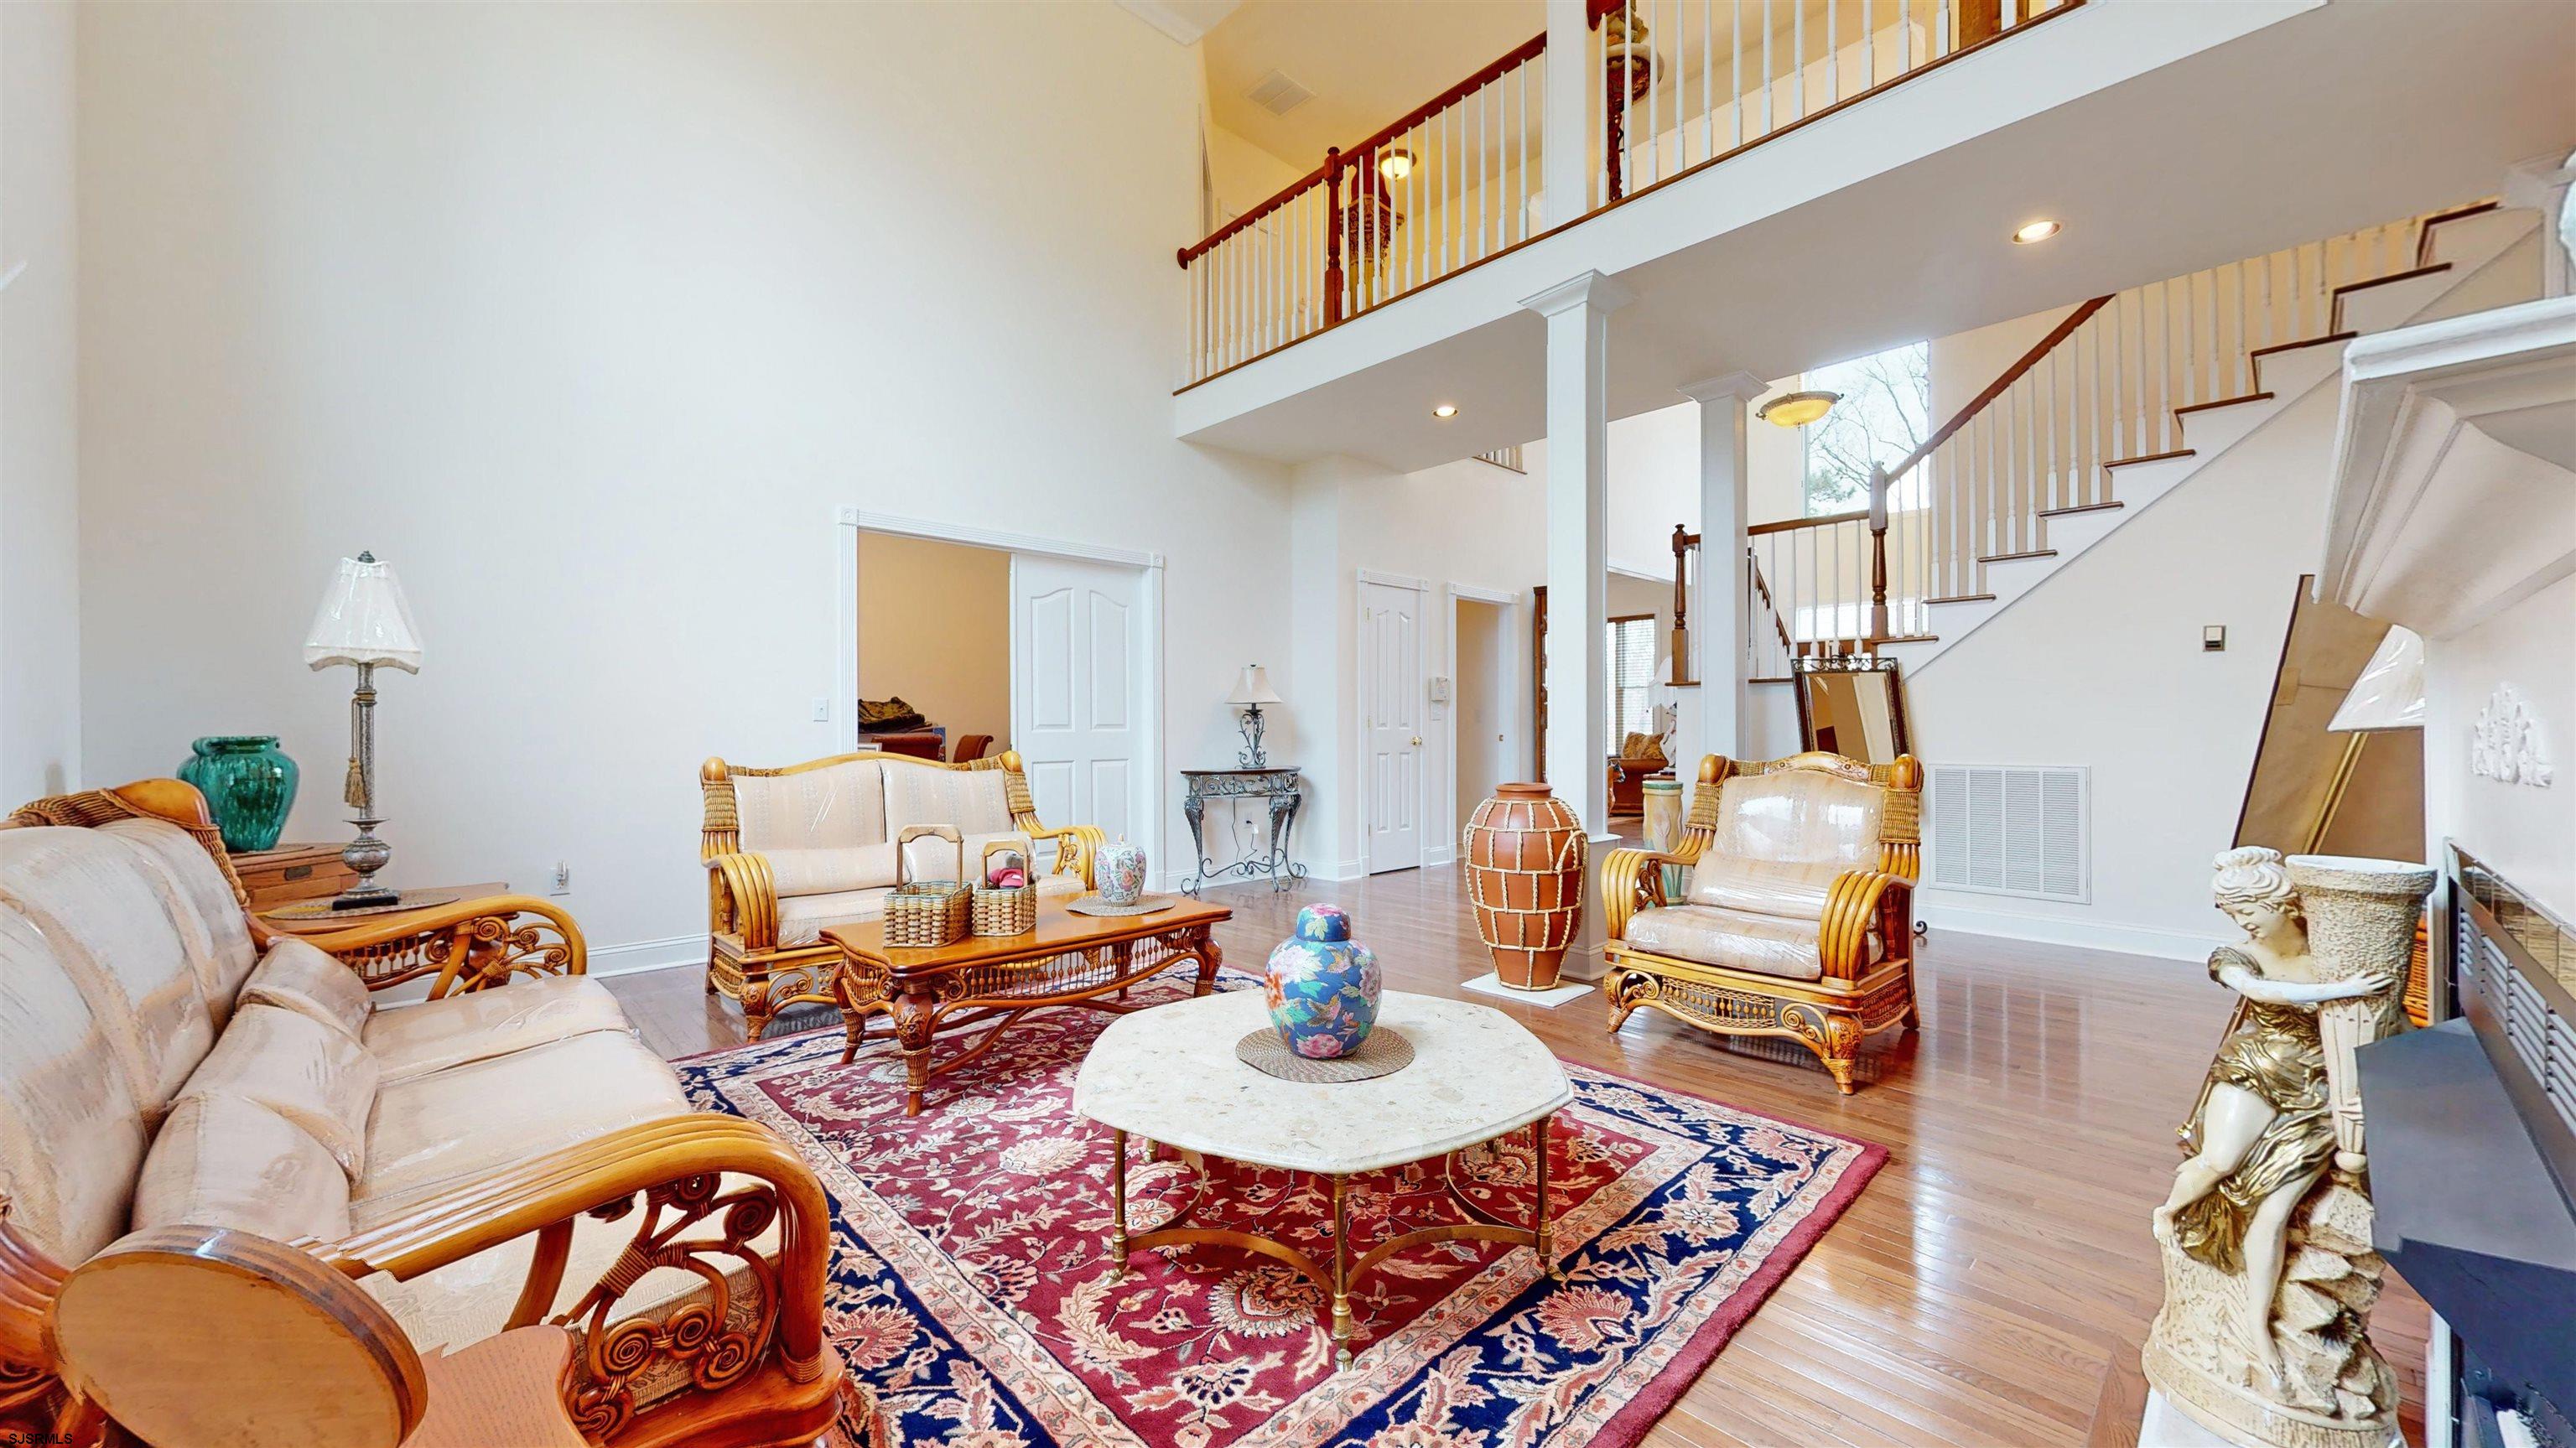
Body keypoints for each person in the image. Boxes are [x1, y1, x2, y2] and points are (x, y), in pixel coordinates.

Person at [2151, 847, 2399, 1388]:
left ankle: (2256, 1324)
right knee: (2220, 1160)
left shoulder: (2334, 950)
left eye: (2247, 910)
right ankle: (2168, 1212)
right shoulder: (2237, 956)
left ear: (2284, 904)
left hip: (2318, 1089)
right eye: (2230, 912)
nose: (2241, 922)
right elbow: (2260, 991)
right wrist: (2340, 992)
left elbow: (2384, 1018)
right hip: (2257, 1068)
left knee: (2277, 1210)